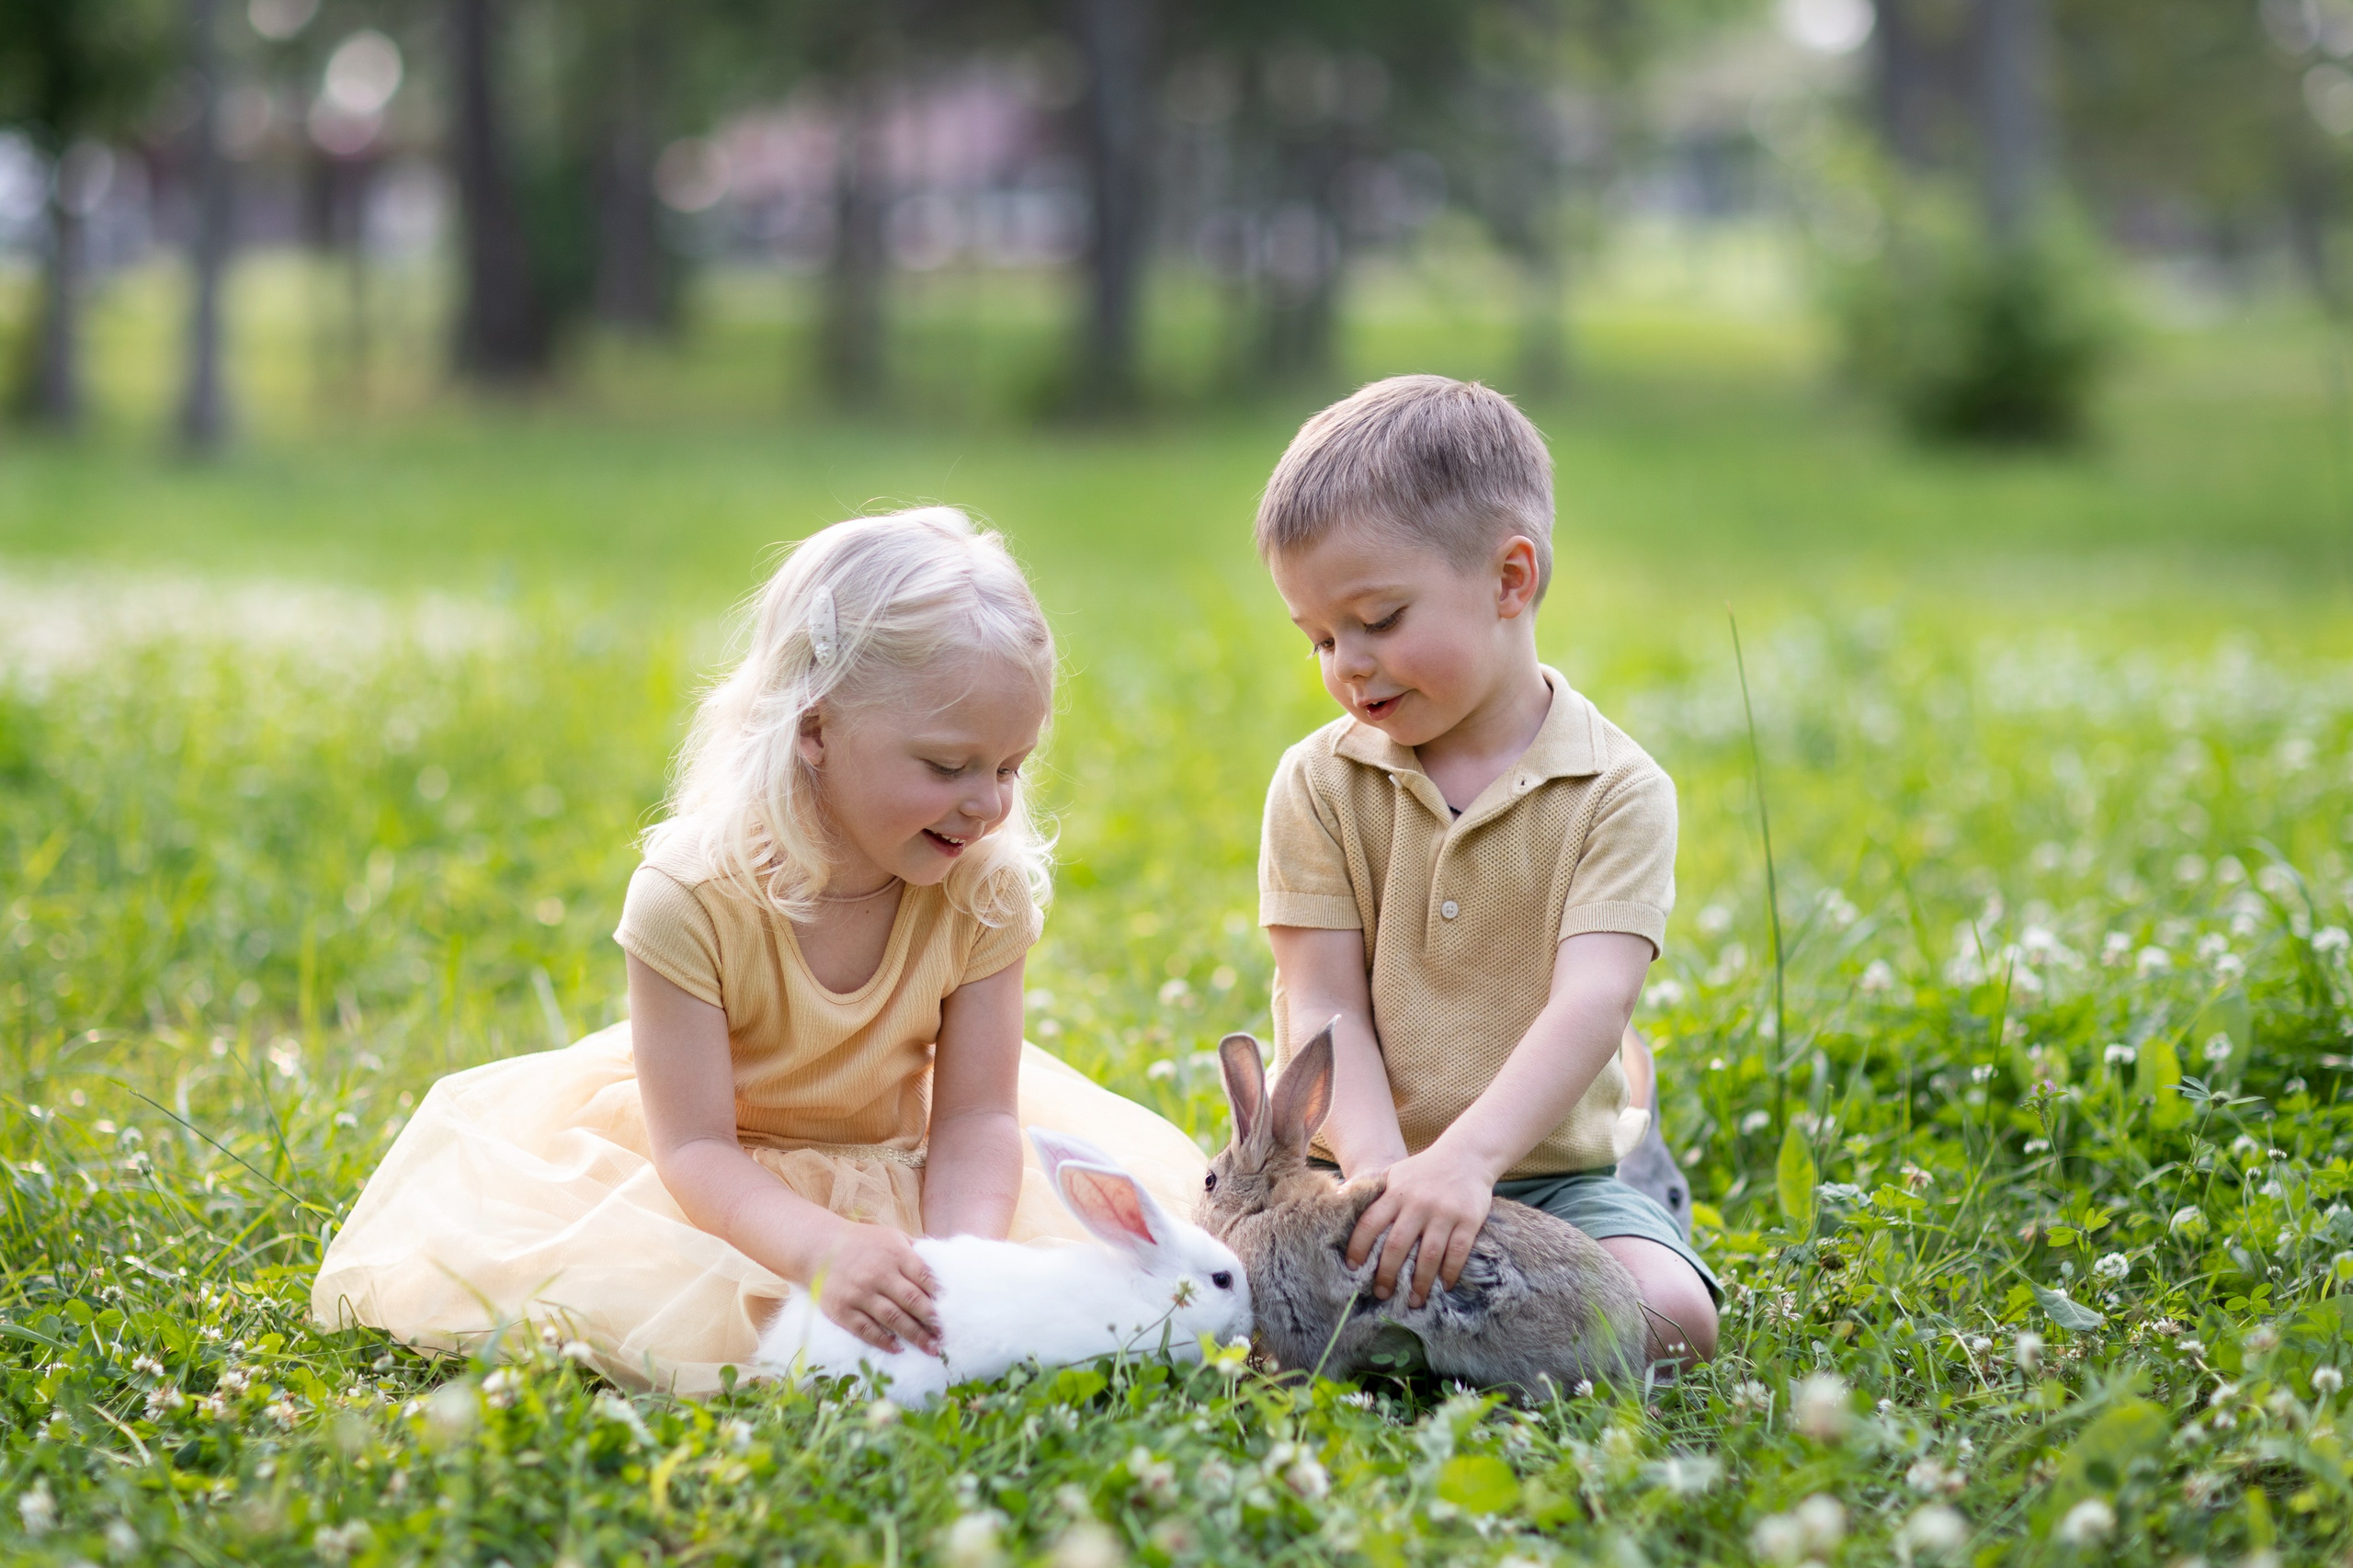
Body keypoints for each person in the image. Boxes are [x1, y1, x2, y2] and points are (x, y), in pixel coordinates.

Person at [312, 508, 1209, 1392]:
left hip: (914, 1164)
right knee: (712, 1312)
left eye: (1010, 767)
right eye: (946, 766)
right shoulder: (691, 896)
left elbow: (976, 1118)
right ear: (813, 730)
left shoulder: (983, 890)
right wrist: (823, 1249)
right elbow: (695, 1148)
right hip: (723, 1186)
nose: (986, 805)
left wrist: (959, 1266)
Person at [1251, 375, 1720, 1366]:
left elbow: (1591, 1001)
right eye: (1322, 638)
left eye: (1379, 618)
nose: (1350, 664)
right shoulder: (1317, 782)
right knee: (1227, 1307)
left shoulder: (1617, 789)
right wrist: (1378, 1180)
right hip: (1354, 1159)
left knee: (1673, 1316)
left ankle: (1640, 1173)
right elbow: (1320, 998)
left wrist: (1468, 1164)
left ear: (1511, 580)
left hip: (1548, 1172)